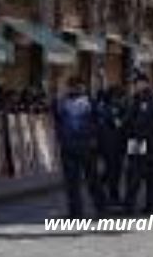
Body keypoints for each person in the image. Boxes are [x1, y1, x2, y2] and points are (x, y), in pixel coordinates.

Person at [52, 78, 104, 218]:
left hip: (85, 147)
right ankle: (76, 213)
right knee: (73, 182)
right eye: (73, 87)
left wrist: (94, 139)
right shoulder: (61, 103)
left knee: (91, 180)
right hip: (70, 147)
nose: (75, 89)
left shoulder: (90, 103)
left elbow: (99, 122)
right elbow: (56, 121)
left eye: (78, 87)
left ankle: (100, 208)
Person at [123, 71, 153, 216]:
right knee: (145, 174)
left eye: (137, 83)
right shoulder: (139, 98)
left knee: (136, 173)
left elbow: (144, 121)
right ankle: (148, 205)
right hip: (140, 140)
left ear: (144, 83)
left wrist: (133, 132)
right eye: (134, 83)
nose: (135, 86)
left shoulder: (148, 99)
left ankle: (131, 205)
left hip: (141, 140)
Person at [94, 86, 126, 207]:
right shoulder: (110, 109)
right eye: (120, 97)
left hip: (116, 144)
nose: (122, 99)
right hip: (111, 145)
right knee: (113, 171)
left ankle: (104, 192)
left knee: (113, 171)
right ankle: (112, 196)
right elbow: (117, 124)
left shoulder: (113, 108)